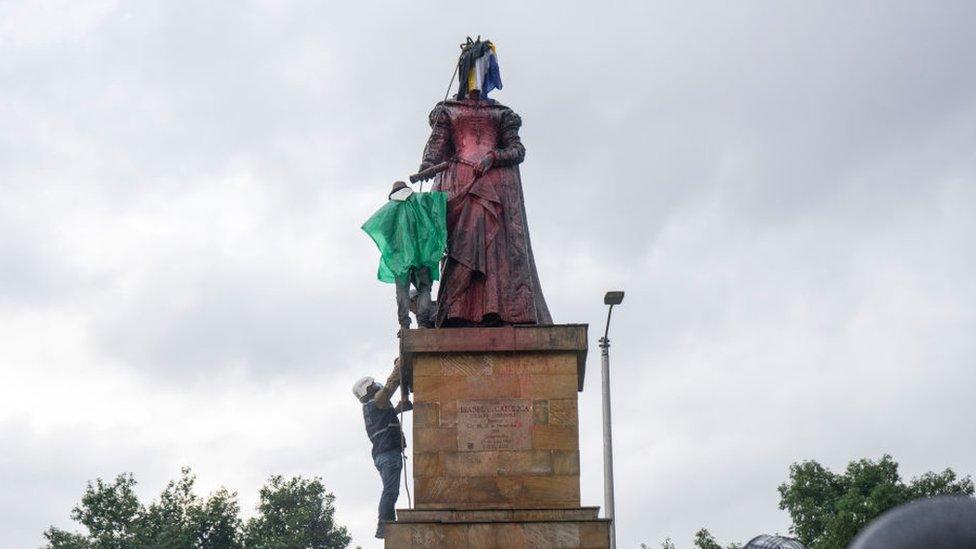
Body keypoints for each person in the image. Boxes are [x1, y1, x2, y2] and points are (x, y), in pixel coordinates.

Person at [417, 38, 552, 327]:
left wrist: (493, 156)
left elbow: (518, 151)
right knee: (459, 248)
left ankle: (495, 310)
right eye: (476, 67)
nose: (481, 75)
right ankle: (455, 311)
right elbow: (435, 150)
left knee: (494, 250)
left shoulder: (502, 114)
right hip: (458, 185)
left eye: (485, 67)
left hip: (493, 185)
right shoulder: (448, 110)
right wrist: (426, 167)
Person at [361, 181, 447, 332]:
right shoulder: (420, 200)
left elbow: (380, 229)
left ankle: (404, 325)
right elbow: (439, 205)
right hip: (422, 255)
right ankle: (423, 324)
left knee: (402, 292)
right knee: (424, 289)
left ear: (392, 194)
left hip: (400, 259)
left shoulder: (389, 209)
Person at [352, 359, 412, 539]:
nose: (376, 385)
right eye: (373, 385)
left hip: (381, 455)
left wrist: (399, 409)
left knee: (390, 489)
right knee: (390, 490)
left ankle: (387, 521)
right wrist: (399, 364)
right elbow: (391, 384)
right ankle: (384, 525)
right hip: (388, 454)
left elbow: (384, 420)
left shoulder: (370, 407)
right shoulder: (378, 400)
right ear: (368, 389)